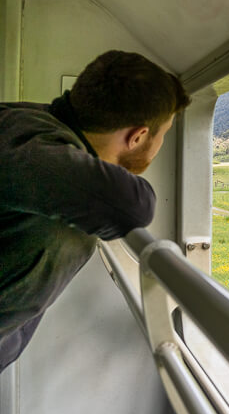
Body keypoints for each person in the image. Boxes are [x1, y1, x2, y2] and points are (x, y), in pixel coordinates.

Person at [0, 50, 190, 372]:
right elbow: (133, 205)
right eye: (163, 134)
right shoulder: (35, 152)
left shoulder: (21, 120)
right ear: (139, 136)